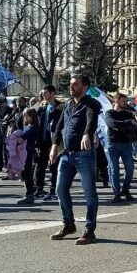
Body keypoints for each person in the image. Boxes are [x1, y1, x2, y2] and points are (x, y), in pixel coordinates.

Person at [49, 75, 102, 245]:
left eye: (76, 85)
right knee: (60, 189)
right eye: (71, 85)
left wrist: (87, 133)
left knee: (89, 193)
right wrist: (55, 145)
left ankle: (89, 229)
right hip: (67, 155)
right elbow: (59, 126)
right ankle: (68, 224)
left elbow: (91, 119)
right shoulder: (68, 105)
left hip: (84, 155)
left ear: (85, 87)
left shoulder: (91, 103)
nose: (72, 87)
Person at [105, 91, 137, 203]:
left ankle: (125, 189)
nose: (125, 103)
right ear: (116, 101)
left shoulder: (128, 113)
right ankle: (116, 193)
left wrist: (136, 119)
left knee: (130, 168)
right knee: (114, 169)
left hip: (126, 143)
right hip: (113, 143)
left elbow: (136, 123)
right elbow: (113, 124)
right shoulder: (109, 113)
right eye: (123, 101)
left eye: (126, 101)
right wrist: (128, 122)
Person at [34, 86, 63, 201]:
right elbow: (29, 116)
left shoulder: (60, 107)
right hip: (42, 141)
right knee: (40, 165)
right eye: (43, 92)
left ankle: (54, 190)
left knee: (54, 167)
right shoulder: (41, 107)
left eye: (45, 92)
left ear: (52, 93)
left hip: (54, 142)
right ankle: (39, 188)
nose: (43, 94)